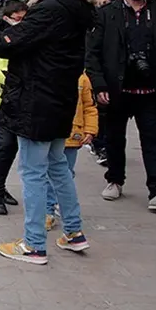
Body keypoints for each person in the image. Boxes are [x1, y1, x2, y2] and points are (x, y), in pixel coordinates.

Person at [0, 0, 96, 265]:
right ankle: (74, 232)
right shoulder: (73, 7)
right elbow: (26, 36)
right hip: (59, 99)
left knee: (33, 172)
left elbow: (3, 45)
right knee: (58, 166)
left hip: (38, 102)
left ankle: (34, 245)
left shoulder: (50, 8)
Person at [85, 0, 156, 211]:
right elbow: (92, 53)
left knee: (153, 140)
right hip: (116, 89)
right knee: (114, 139)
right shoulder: (106, 14)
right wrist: (99, 85)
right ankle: (115, 180)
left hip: (150, 91)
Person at [0, 0, 29, 215]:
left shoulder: (27, 38)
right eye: (17, 19)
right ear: (6, 19)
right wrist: (23, 80)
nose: (21, 23)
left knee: (15, 148)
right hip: (1, 102)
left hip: (23, 102)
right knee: (3, 147)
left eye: (24, 19)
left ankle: (0, 187)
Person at [45, 73, 98, 231]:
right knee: (48, 175)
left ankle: (61, 206)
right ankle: (48, 211)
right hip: (51, 134)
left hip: (73, 136)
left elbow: (89, 107)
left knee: (66, 173)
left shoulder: (83, 79)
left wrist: (90, 130)